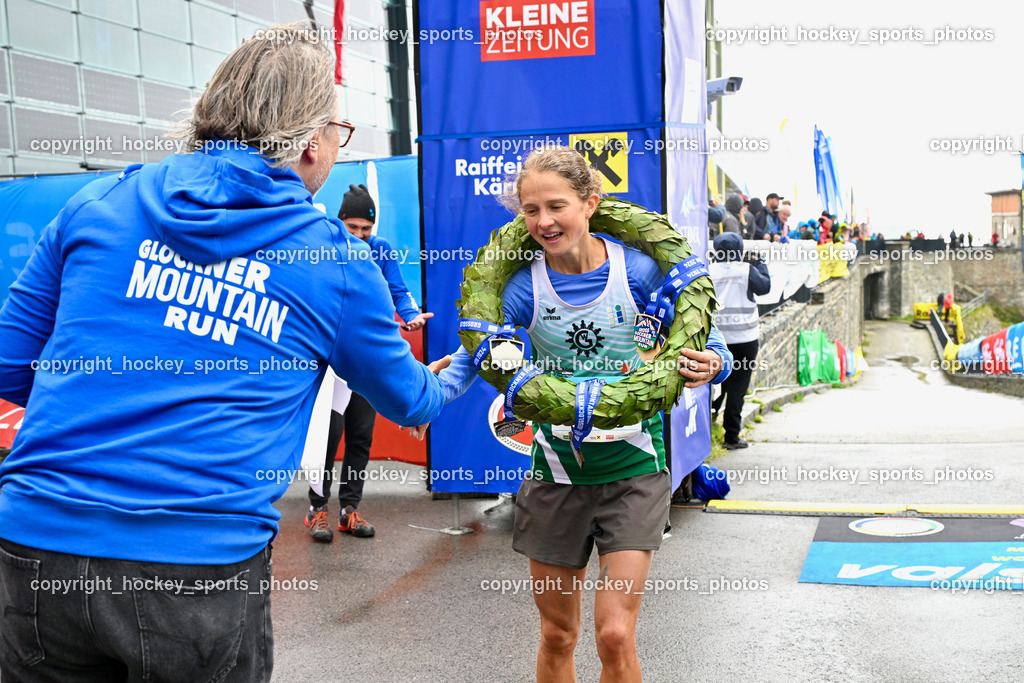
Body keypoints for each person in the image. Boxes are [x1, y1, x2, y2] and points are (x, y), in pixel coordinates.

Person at [0, 22, 445, 682]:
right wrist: (461, 372)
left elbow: (11, 363)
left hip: (37, 546)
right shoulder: (335, 261)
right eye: (336, 130)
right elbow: (410, 399)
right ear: (309, 143)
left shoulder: (101, 200)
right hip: (198, 564)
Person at [410, 146, 731, 681]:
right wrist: (427, 399)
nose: (543, 222)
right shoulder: (520, 288)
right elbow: (473, 357)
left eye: (555, 206)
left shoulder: (643, 271)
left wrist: (713, 364)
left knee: (614, 632)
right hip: (556, 476)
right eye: (530, 211)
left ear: (591, 203)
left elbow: (706, 339)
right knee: (558, 634)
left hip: (635, 472)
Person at [304, 184, 432, 542]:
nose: (360, 235)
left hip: (364, 358)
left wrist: (409, 316)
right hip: (328, 357)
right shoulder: (324, 248)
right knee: (326, 437)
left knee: (361, 433)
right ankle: (317, 509)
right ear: (340, 221)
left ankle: (349, 509)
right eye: (353, 228)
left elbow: (398, 289)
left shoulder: (381, 250)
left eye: (366, 229)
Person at [709, 232, 771, 449]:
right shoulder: (746, 270)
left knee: (715, 381)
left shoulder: (708, 271)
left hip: (716, 340)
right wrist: (760, 263)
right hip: (745, 338)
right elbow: (765, 287)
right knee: (737, 387)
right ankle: (731, 437)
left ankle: (709, 423)